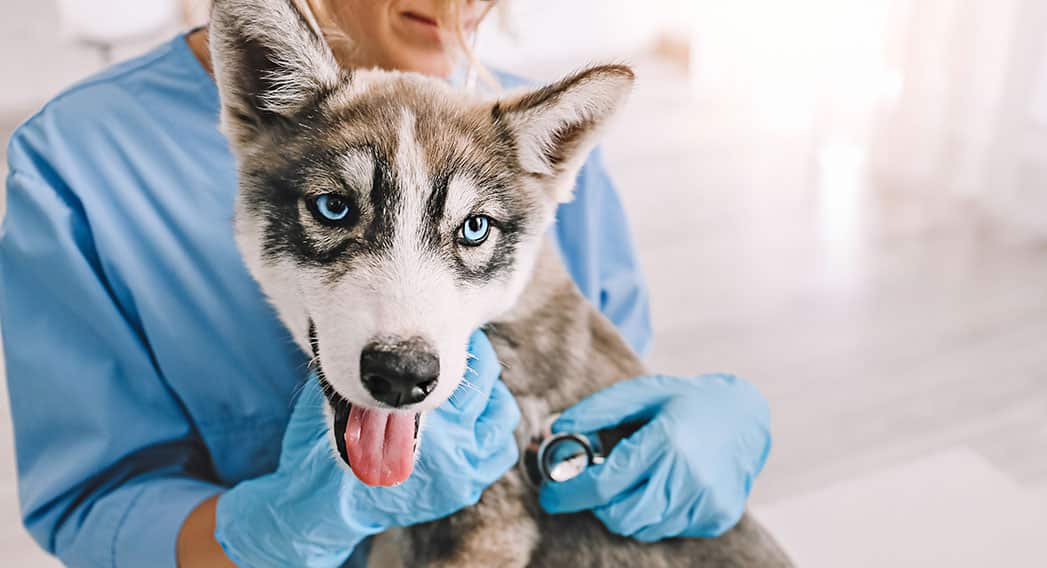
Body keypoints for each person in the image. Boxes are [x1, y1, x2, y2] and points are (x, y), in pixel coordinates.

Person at [0, 0, 773, 566]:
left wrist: (690, 433)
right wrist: (271, 530)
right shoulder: (81, 161)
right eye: (334, 207)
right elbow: (93, 500)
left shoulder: (523, 136)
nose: (460, 7)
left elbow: (602, 376)